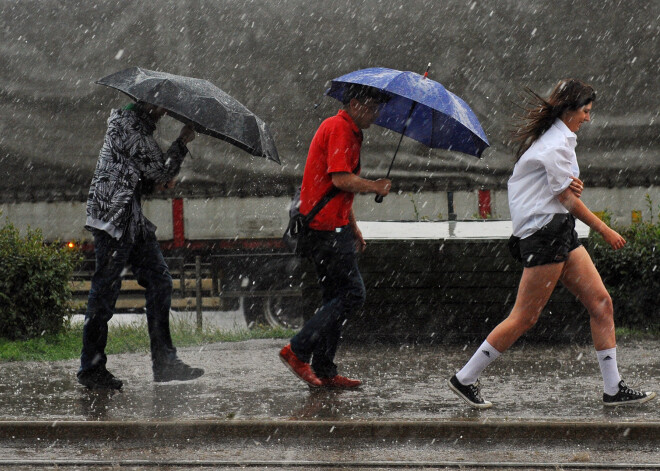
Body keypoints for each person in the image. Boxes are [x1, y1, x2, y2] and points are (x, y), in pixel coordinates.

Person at [448, 79, 656, 408]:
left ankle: (613, 388)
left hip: (557, 229)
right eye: (585, 111)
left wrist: (569, 191)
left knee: (602, 304)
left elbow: (560, 194)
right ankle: (464, 378)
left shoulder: (556, 141)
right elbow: (568, 201)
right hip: (546, 233)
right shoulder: (555, 145)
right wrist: (605, 229)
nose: (588, 118)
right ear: (570, 110)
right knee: (525, 317)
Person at [78, 101, 204, 390]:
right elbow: (160, 172)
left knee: (160, 282)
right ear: (144, 102)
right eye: (159, 103)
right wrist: (182, 141)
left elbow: (140, 176)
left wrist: (156, 181)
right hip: (114, 219)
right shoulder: (132, 128)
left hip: (129, 218)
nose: (164, 109)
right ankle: (91, 368)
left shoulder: (135, 127)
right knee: (103, 296)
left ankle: (165, 363)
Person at [279, 85, 392, 389]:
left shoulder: (347, 130)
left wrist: (353, 224)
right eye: (370, 107)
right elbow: (341, 179)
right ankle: (298, 350)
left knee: (334, 297)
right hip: (327, 231)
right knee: (353, 294)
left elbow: (333, 190)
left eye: (377, 108)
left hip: (330, 227)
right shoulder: (340, 128)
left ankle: (325, 369)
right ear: (354, 104)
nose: (375, 113)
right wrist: (375, 186)